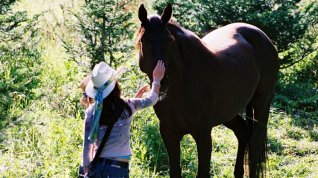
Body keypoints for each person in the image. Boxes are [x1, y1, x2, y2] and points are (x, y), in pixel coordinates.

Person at [82, 60, 165, 177]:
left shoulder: (91, 112)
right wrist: (156, 79)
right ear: (115, 85)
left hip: (99, 168)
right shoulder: (127, 106)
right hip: (118, 170)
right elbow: (152, 99)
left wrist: (86, 170)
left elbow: (87, 146)